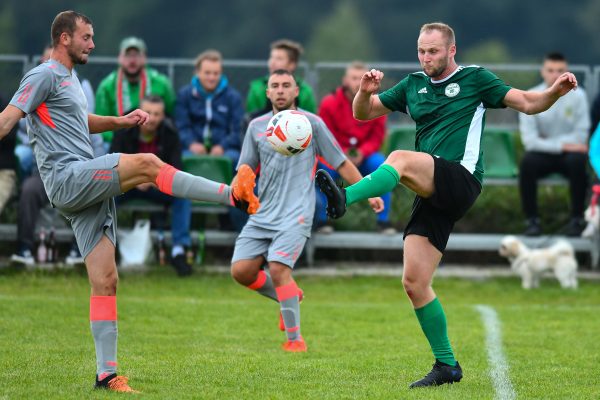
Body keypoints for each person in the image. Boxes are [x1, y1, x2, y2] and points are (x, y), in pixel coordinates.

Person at [0, 11, 259, 393]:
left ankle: (106, 375)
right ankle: (231, 194)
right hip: (68, 178)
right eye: (86, 37)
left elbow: (79, 121)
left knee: (106, 281)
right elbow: (7, 118)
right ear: (65, 38)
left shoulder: (69, 79)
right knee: (150, 164)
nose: (92, 44)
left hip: (83, 181)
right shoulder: (42, 74)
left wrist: (121, 122)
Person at [315, 22, 579, 388]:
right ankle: (447, 365)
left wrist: (555, 92)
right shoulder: (411, 85)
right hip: (432, 188)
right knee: (414, 282)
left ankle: (345, 197)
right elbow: (364, 113)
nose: (426, 57)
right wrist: (363, 91)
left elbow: (529, 103)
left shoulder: (476, 78)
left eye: (433, 51)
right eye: (422, 50)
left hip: (461, 177)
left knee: (400, 158)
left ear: (452, 50)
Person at [230, 69, 383, 352]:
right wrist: (238, 185)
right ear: (267, 93)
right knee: (241, 271)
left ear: (296, 91)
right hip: (264, 212)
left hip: (298, 211)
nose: (280, 90)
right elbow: (245, 167)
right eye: (274, 86)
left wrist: (368, 190)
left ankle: (295, 340)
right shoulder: (256, 127)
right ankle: (288, 294)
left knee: (278, 268)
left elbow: (340, 162)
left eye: (286, 85)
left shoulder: (311, 124)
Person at [111, 95, 193, 276]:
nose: (152, 118)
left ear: (163, 116)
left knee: (182, 196)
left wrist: (150, 181)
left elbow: (176, 170)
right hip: (127, 184)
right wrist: (136, 179)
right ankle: (106, 248)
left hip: (157, 185)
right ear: (139, 111)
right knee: (104, 195)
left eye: (157, 114)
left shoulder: (171, 133)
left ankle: (179, 250)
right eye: (148, 112)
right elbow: (112, 163)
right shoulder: (124, 128)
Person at [315, 61, 395, 234]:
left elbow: (378, 136)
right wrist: (341, 152)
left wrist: (362, 152)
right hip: (336, 155)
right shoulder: (329, 103)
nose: (357, 82)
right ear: (345, 80)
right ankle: (323, 221)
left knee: (384, 167)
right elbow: (325, 135)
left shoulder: (377, 102)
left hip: (365, 156)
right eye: (353, 78)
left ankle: (383, 221)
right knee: (322, 169)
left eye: (361, 78)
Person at [518, 52, 590, 237]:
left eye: (560, 70)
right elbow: (530, 141)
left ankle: (577, 220)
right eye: (550, 70)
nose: (555, 75)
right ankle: (532, 222)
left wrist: (547, 141)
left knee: (579, 162)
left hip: (570, 157)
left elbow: (581, 135)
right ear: (543, 72)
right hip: (544, 156)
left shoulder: (579, 96)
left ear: (566, 72)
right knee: (527, 163)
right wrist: (564, 145)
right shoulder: (531, 95)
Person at [95, 36, 176, 146]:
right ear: (120, 58)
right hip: (118, 141)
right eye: (128, 55)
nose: (132, 60)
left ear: (145, 58)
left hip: (155, 140)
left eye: (137, 55)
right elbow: (100, 122)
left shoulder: (161, 83)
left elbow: (172, 116)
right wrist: (121, 137)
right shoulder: (107, 86)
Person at [175, 49, 243, 166]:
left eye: (216, 73)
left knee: (237, 161)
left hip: (225, 150)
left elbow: (237, 130)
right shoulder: (185, 95)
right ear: (197, 72)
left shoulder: (233, 97)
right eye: (207, 73)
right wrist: (192, 144)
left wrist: (222, 146)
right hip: (191, 149)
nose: (211, 78)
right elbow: (181, 126)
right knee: (178, 159)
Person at [245, 39, 317, 116]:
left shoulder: (305, 92)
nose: (272, 62)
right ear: (267, 92)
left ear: (292, 64)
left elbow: (310, 119)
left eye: (279, 58)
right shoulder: (256, 88)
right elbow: (251, 118)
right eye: (271, 57)